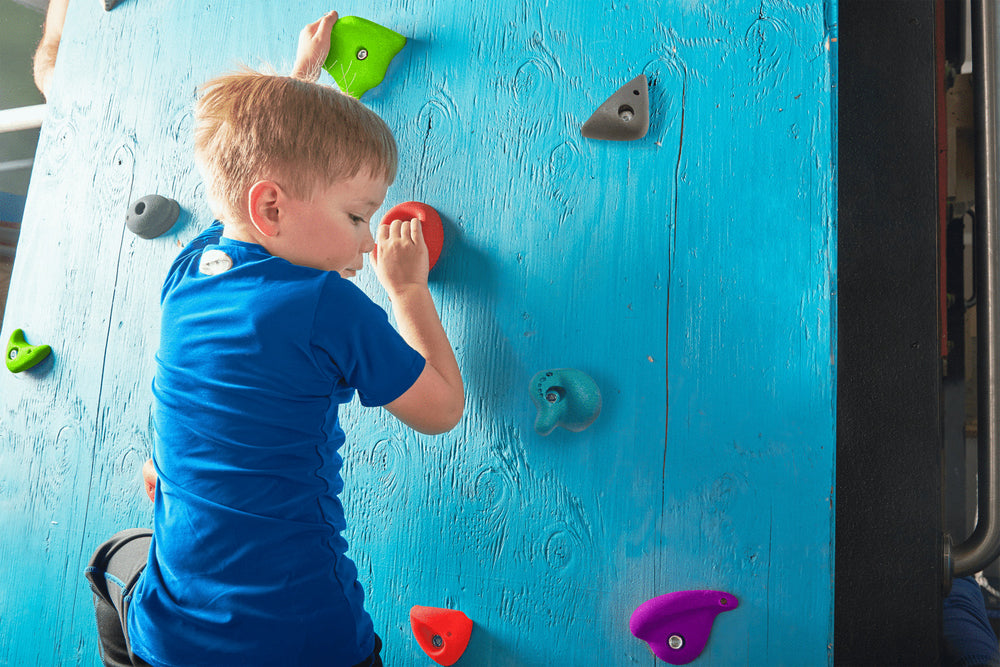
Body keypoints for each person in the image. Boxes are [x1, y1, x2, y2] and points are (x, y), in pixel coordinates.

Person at [83, 11, 464, 666]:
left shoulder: (191, 270)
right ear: (273, 208)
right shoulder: (324, 303)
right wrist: (407, 290)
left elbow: (245, 187)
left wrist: (301, 80)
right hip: (302, 640)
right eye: (356, 215)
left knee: (114, 560)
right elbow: (441, 409)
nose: (368, 240)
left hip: (168, 641)